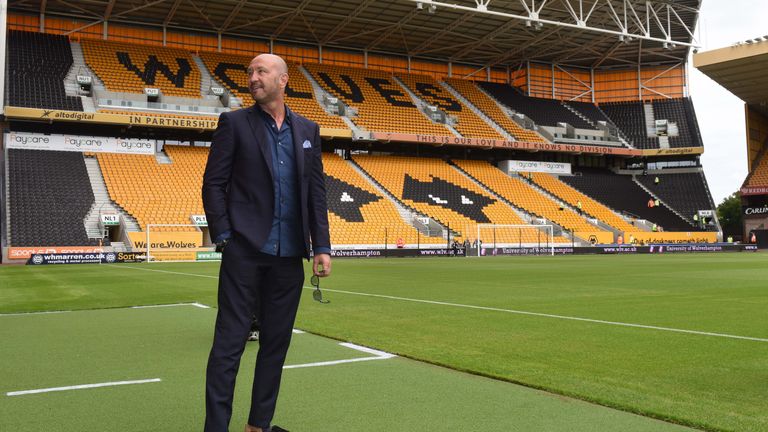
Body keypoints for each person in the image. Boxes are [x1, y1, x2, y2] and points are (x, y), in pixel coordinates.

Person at [202, 53, 332, 432]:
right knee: (229, 345)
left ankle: (258, 426)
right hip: (244, 251)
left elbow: (316, 194)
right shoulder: (234, 123)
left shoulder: (307, 130)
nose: (253, 77)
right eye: (250, 72)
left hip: (289, 256)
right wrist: (225, 237)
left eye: (261, 71)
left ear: (283, 79)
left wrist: (321, 246)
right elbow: (213, 183)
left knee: (275, 346)